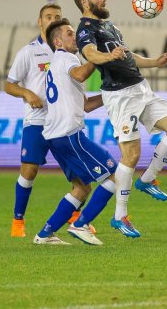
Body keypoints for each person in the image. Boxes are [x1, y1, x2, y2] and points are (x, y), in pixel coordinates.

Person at [74, 0, 167, 237]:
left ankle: (148, 179)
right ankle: (120, 217)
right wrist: (109, 56)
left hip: (141, 89)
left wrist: (155, 62)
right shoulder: (85, 30)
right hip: (120, 96)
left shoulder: (109, 26)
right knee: (131, 155)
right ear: (85, 2)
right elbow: (90, 54)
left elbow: (128, 56)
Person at [33, 18, 119, 245]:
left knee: (82, 188)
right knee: (115, 176)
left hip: (56, 136)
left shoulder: (59, 64)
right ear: (58, 41)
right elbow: (81, 74)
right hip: (69, 134)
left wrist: (111, 95)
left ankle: (44, 235)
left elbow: (86, 105)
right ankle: (81, 225)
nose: (76, 37)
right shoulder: (66, 59)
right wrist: (98, 54)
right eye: (70, 33)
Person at [5, 4, 77, 237]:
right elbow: (9, 84)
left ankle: (75, 219)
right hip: (37, 120)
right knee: (29, 170)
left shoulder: (68, 51)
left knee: (76, 172)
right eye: (48, 17)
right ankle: (18, 220)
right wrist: (27, 93)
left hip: (63, 120)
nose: (53, 19)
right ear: (40, 21)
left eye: (57, 16)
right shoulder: (29, 52)